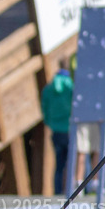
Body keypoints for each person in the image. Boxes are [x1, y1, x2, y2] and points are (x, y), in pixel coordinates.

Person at [41, 63, 73, 195]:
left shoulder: (48, 89)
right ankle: (70, 190)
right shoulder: (71, 87)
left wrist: (50, 123)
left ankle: (58, 191)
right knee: (71, 162)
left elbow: (45, 110)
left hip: (56, 131)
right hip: (70, 129)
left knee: (58, 164)